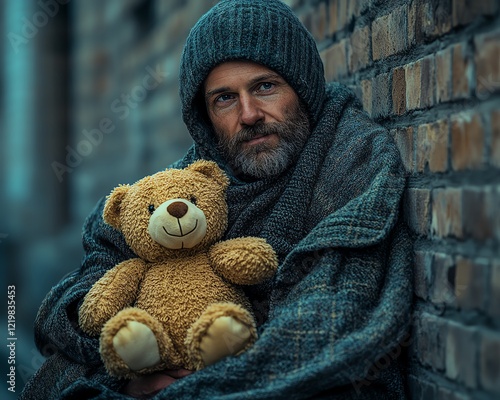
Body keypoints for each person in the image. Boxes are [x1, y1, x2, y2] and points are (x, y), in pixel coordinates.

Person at [21, 0, 413, 398]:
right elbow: (76, 302)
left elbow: (331, 316)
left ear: (303, 88)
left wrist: (192, 386)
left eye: (264, 87)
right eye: (224, 98)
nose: (249, 114)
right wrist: (128, 376)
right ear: (204, 118)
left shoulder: (352, 157)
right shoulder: (185, 185)